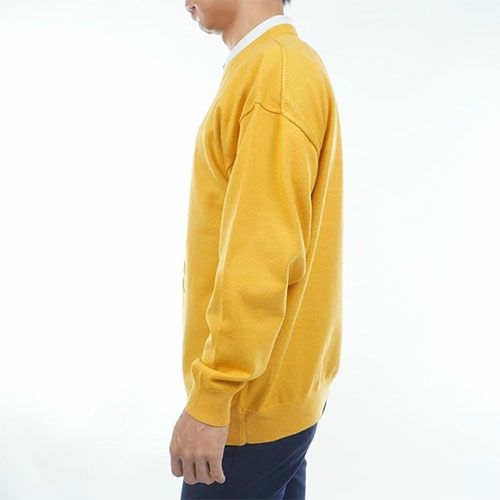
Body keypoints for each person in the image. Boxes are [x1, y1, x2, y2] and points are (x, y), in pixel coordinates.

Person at [170, 1, 343, 498]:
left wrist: (213, 396)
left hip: (248, 405)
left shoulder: (275, 74)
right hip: (276, 392)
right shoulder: (272, 66)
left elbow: (261, 256)